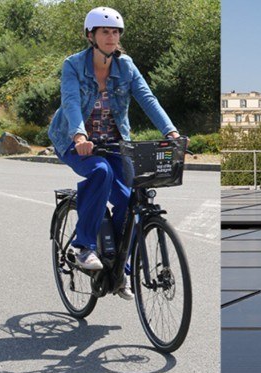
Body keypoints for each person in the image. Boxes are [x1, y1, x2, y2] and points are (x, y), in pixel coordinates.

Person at [48, 6, 180, 295]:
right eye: (105, 31)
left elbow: (148, 99)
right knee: (100, 171)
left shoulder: (126, 67)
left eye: (116, 32)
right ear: (90, 35)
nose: (112, 37)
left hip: (114, 143)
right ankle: (84, 246)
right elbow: (71, 102)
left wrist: (171, 132)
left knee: (128, 199)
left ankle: (120, 267)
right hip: (75, 142)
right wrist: (79, 135)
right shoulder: (73, 65)